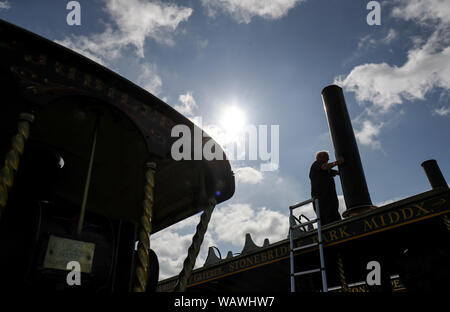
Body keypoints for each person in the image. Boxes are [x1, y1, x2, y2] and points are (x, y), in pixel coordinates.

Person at [309, 151, 344, 225]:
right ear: (319, 158)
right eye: (326, 158)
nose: (328, 159)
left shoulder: (328, 170)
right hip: (321, 199)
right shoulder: (316, 164)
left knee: (335, 216)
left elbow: (337, 172)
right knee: (326, 219)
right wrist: (337, 162)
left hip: (330, 199)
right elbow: (325, 166)